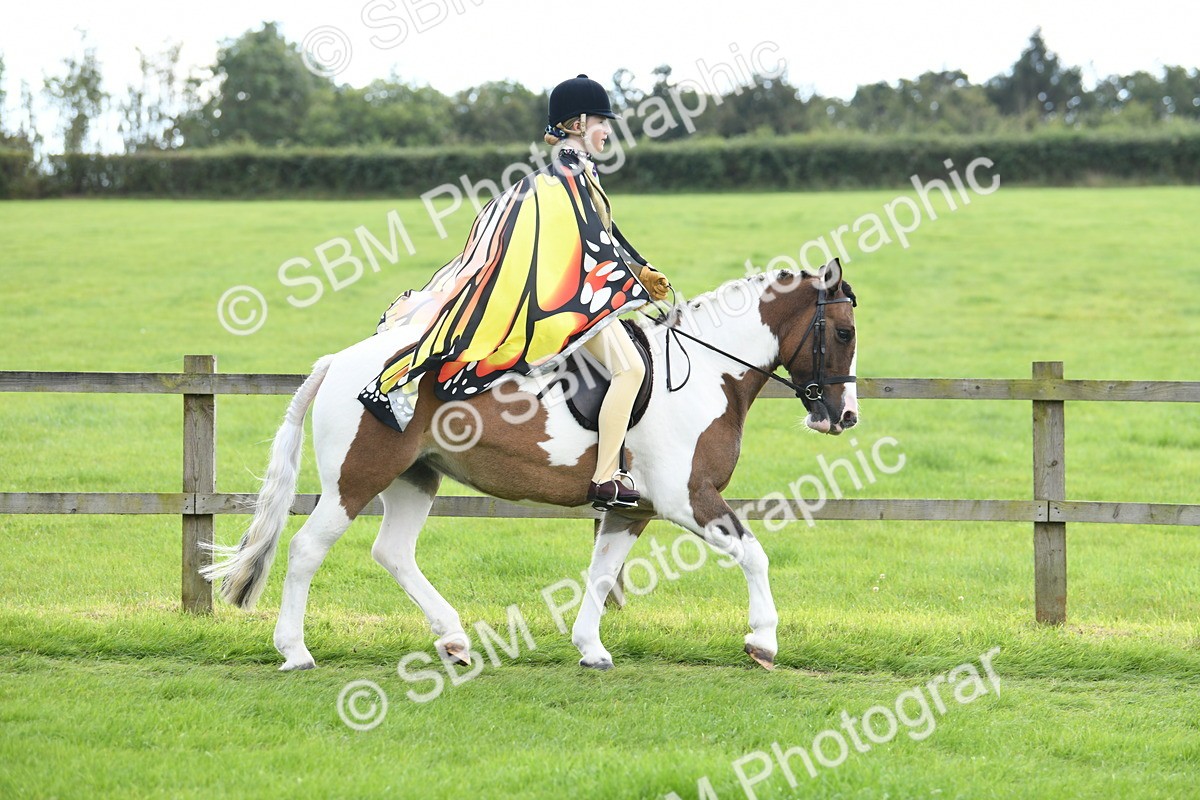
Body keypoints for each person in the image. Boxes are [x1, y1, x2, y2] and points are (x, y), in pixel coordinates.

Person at [358, 74, 671, 510]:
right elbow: (591, 244)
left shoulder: (570, 173)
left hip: (563, 292)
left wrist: (640, 268)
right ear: (578, 123)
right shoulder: (568, 175)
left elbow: (604, 235)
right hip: (563, 300)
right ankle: (605, 478)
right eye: (603, 121)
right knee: (631, 369)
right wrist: (631, 280)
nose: (608, 130)